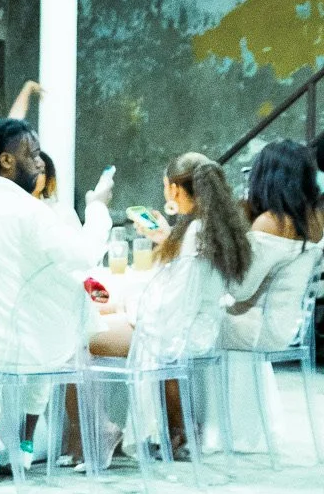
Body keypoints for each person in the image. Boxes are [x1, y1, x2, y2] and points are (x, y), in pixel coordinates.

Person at [0, 117, 92, 483]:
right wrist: (98, 209)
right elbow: (83, 256)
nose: (40, 162)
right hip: (35, 351)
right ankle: (24, 446)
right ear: (7, 161)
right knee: (54, 306)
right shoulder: (32, 212)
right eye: (34, 154)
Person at [87, 153, 249, 458]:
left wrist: (131, 312)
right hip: (202, 328)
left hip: (177, 332)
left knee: (85, 333)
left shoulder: (194, 234)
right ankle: (176, 431)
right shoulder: (213, 227)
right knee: (106, 319)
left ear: (174, 190)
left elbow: (174, 307)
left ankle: (93, 434)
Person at [223, 140, 323, 353]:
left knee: (184, 324)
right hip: (287, 328)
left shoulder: (271, 222)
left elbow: (239, 290)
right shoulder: (315, 220)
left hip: (255, 328)